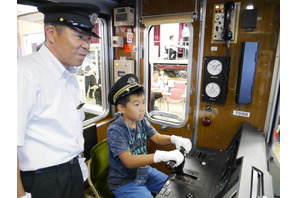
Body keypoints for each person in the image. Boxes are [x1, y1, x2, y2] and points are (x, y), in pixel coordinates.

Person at [17, 2, 100, 198]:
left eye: (88, 38)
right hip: (42, 181)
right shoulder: (23, 73)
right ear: (51, 32)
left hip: (71, 172)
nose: (87, 45)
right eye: (79, 36)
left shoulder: (69, 76)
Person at [107, 74, 192, 198]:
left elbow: (156, 138)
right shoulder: (115, 130)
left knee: (173, 187)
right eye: (136, 104)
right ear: (121, 108)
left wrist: (174, 139)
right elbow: (129, 161)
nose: (142, 108)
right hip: (124, 182)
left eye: (143, 102)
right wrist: (162, 156)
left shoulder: (140, 120)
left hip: (143, 171)